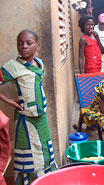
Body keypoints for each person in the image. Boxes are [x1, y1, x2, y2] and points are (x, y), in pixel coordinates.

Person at [0, 30, 57, 184]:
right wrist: (9, 101)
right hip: (25, 119)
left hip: (41, 117)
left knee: (45, 152)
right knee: (30, 158)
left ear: (37, 45)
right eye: (20, 43)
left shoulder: (40, 63)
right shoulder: (12, 66)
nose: (23, 46)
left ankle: (47, 180)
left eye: (28, 43)